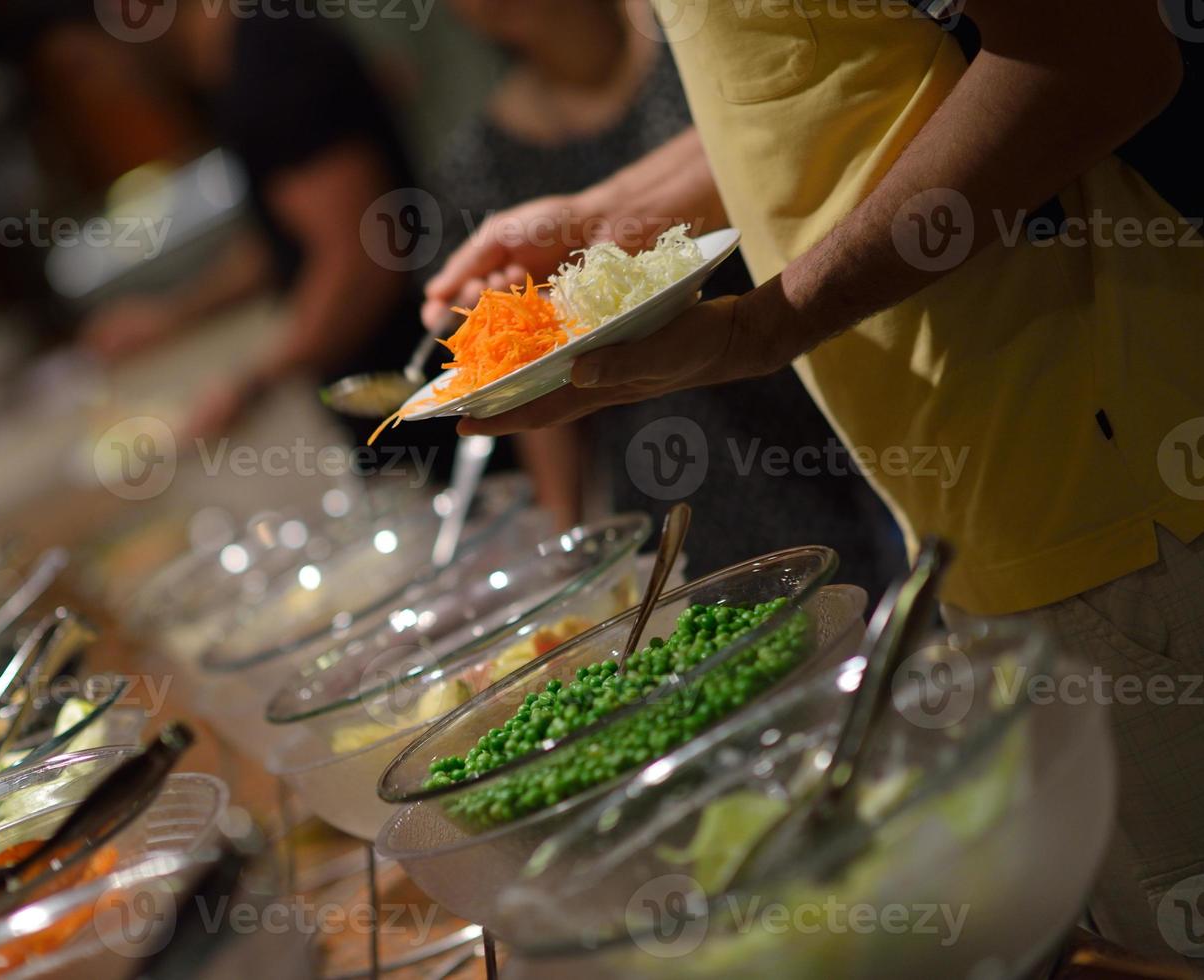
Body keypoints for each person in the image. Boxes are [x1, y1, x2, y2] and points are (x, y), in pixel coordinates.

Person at [423, 0, 1204, 963]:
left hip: (1112, 485)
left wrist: (772, 322)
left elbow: (1098, 59)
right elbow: (835, 81)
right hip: (977, 503)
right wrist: (604, 221)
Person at [434, 0, 902, 592]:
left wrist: (762, 330)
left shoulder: (695, 33)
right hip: (663, 454)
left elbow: (790, 134)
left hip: (816, 368)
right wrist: (565, 542)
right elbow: (527, 378)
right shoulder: (477, 159)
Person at [76, 4, 461, 468]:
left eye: (88, 61)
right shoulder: (239, 61)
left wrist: (248, 382)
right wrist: (171, 315)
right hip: (390, 404)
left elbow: (358, 261)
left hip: (433, 397)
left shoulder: (272, 64)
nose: (102, 82)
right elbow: (287, 237)